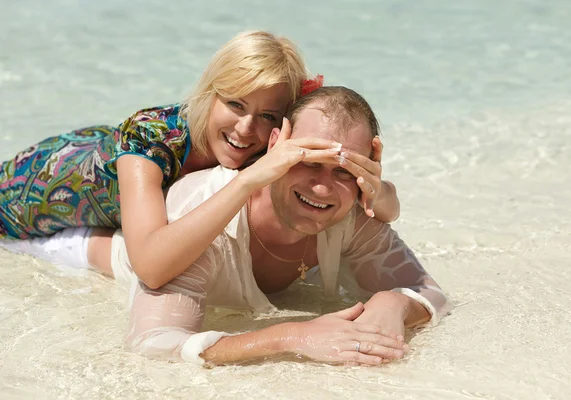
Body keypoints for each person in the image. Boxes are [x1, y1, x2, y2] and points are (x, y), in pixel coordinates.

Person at [0, 31, 402, 290]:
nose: (246, 129)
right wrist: (246, 181)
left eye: (265, 115)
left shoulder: (269, 143)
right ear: (209, 93)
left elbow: (391, 209)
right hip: (34, 186)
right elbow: (152, 270)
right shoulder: (151, 139)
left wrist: (370, 183)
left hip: (98, 155)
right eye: (234, 104)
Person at [91, 86, 447, 366]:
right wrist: (289, 336)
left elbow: (429, 292)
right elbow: (153, 344)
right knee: (99, 252)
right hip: (124, 237)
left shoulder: (352, 214)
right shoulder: (209, 220)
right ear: (276, 145)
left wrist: (392, 304)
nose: (322, 188)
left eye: (343, 170)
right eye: (308, 161)